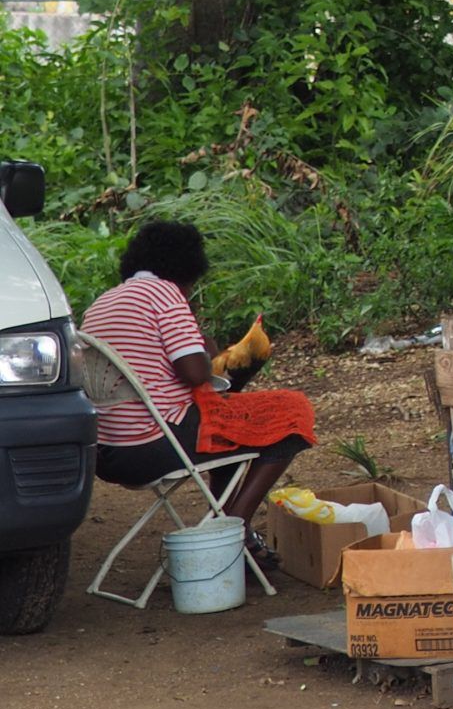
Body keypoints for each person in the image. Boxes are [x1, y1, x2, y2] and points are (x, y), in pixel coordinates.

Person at [83, 222, 316, 555]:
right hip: (157, 443)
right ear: (187, 268)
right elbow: (194, 372)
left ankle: (227, 523)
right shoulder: (165, 293)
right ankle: (234, 533)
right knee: (292, 413)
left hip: (109, 452)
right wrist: (207, 348)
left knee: (232, 429)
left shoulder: (101, 305)